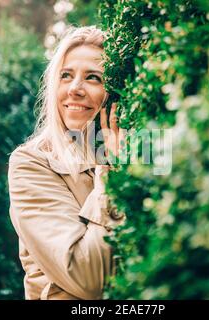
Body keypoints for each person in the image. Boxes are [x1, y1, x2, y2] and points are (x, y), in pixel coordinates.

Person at [7, 26, 126, 300]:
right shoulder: (32, 163)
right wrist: (113, 175)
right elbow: (88, 277)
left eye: (93, 78)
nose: (75, 89)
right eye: (66, 75)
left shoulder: (140, 152)